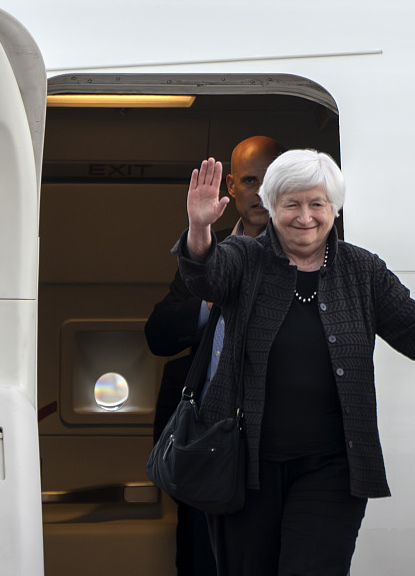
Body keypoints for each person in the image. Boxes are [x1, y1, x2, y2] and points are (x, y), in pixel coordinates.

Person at [174, 150, 415, 576]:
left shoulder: (362, 271)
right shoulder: (244, 258)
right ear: (272, 206)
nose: (305, 217)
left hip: (332, 468)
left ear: (333, 208)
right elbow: (205, 276)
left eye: (317, 204)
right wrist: (200, 227)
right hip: (243, 470)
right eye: (291, 204)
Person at [146, 136, 285, 576]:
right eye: (249, 180)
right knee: (200, 559)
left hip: (274, 441)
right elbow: (159, 333)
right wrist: (213, 297)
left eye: (271, 180)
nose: (260, 192)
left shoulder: (306, 250)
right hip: (205, 440)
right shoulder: (205, 248)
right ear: (231, 185)